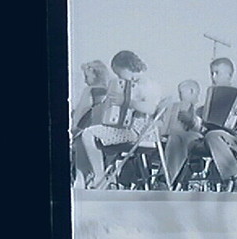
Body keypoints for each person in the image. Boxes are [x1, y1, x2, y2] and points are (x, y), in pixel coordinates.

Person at [81, 50, 161, 189]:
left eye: (119, 73)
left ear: (126, 67)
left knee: (89, 134)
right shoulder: (138, 83)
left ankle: (100, 177)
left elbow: (150, 109)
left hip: (141, 133)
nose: (119, 77)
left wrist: (125, 102)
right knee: (96, 135)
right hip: (132, 131)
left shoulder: (148, 84)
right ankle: (103, 176)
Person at [188, 57, 237, 192]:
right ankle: (170, 180)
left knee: (213, 136)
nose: (213, 77)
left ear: (229, 75)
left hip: (234, 140)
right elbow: (200, 125)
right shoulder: (210, 96)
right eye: (211, 73)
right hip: (209, 139)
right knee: (182, 137)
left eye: (217, 73)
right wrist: (193, 120)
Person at [71, 60, 110, 187]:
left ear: (96, 74)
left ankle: (81, 184)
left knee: (81, 167)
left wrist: (75, 126)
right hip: (102, 131)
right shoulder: (109, 92)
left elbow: (83, 110)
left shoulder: (91, 90)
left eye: (86, 76)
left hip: (86, 127)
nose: (85, 80)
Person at [161, 80, 203, 185]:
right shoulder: (174, 106)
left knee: (177, 138)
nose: (179, 96)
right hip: (172, 139)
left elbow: (203, 128)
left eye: (181, 93)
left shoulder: (200, 108)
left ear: (192, 91)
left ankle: (166, 179)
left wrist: (192, 121)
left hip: (191, 140)